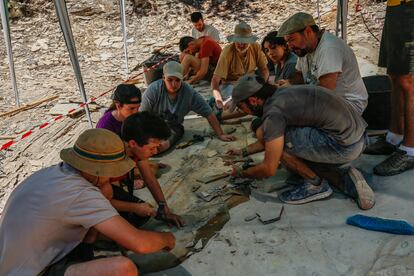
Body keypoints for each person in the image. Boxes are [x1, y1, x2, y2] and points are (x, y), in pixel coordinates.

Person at [0, 128, 175, 275]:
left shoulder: (53, 173)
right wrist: (167, 239)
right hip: (33, 271)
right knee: (123, 268)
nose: (113, 176)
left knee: (102, 224)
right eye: (111, 171)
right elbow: (140, 244)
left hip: (13, 262)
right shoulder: (81, 193)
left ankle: (83, 255)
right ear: (99, 171)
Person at [227, 74, 375, 210]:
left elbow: (269, 168)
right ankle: (344, 181)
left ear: (253, 100)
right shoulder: (283, 92)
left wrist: (241, 173)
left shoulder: (274, 112)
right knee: (290, 158)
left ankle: (315, 185)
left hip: (344, 145)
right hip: (359, 136)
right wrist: (243, 152)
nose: (245, 111)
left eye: (242, 106)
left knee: (270, 138)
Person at [96, 85, 184, 228]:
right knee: (127, 222)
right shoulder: (108, 144)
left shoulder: (134, 142)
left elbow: (150, 178)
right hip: (95, 190)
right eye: (131, 109)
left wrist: (164, 208)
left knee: (144, 211)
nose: (135, 112)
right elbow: (98, 200)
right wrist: (134, 207)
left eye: (137, 108)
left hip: (120, 168)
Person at [277, 12, 368, 115]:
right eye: (287, 42)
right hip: (326, 101)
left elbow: (325, 93)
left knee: (290, 116)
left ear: (308, 32)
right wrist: (289, 83)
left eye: (292, 40)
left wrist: (296, 99)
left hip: (348, 106)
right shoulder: (304, 48)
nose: (290, 46)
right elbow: (300, 75)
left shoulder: (329, 48)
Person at [140, 61, 236, 152]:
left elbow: (208, 112)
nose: (174, 84)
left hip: (173, 128)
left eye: (177, 80)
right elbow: (142, 117)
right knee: (145, 146)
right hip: (152, 126)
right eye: (170, 80)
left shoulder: (188, 92)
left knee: (158, 148)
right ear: (163, 78)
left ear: (182, 79)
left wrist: (220, 134)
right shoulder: (153, 90)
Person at [364, 0, 414, 176]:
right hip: (396, 7)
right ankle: (395, 137)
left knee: (408, 80)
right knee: (394, 74)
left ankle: (410, 149)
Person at [211, 21, 269, 120]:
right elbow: (215, 80)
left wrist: (261, 87)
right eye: (238, 41)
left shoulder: (255, 47)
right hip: (231, 85)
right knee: (238, 104)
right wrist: (218, 99)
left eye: (244, 42)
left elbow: (264, 71)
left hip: (250, 83)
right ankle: (219, 114)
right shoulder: (227, 52)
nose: (241, 44)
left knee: (262, 99)